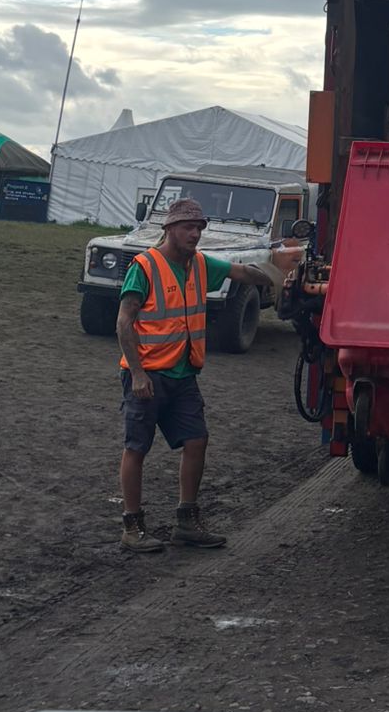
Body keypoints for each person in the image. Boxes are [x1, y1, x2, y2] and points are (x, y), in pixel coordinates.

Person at [115, 196, 303, 553]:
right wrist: (137, 373)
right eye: (188, 227)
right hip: (148, 376)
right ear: (170, 229)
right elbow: (124, 322)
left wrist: (278, 274)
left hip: (183, 373)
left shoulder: (199, 264)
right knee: (136, 448)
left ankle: (187, 521)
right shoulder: (145, 266)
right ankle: (132, 526)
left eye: (199, 228)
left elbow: (241, 273)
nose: (195, 234)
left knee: (197, 440)